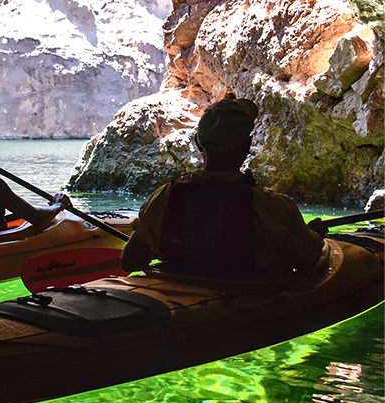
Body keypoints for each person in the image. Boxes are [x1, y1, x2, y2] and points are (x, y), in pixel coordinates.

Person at [121, 98, 327, 277]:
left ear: (197, 143)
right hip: (245, 300)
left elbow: (130, 263)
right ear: (246, 146)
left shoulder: (163, 198)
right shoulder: (272, 206)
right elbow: (306, 260)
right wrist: (313, 236)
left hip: (178, 295)